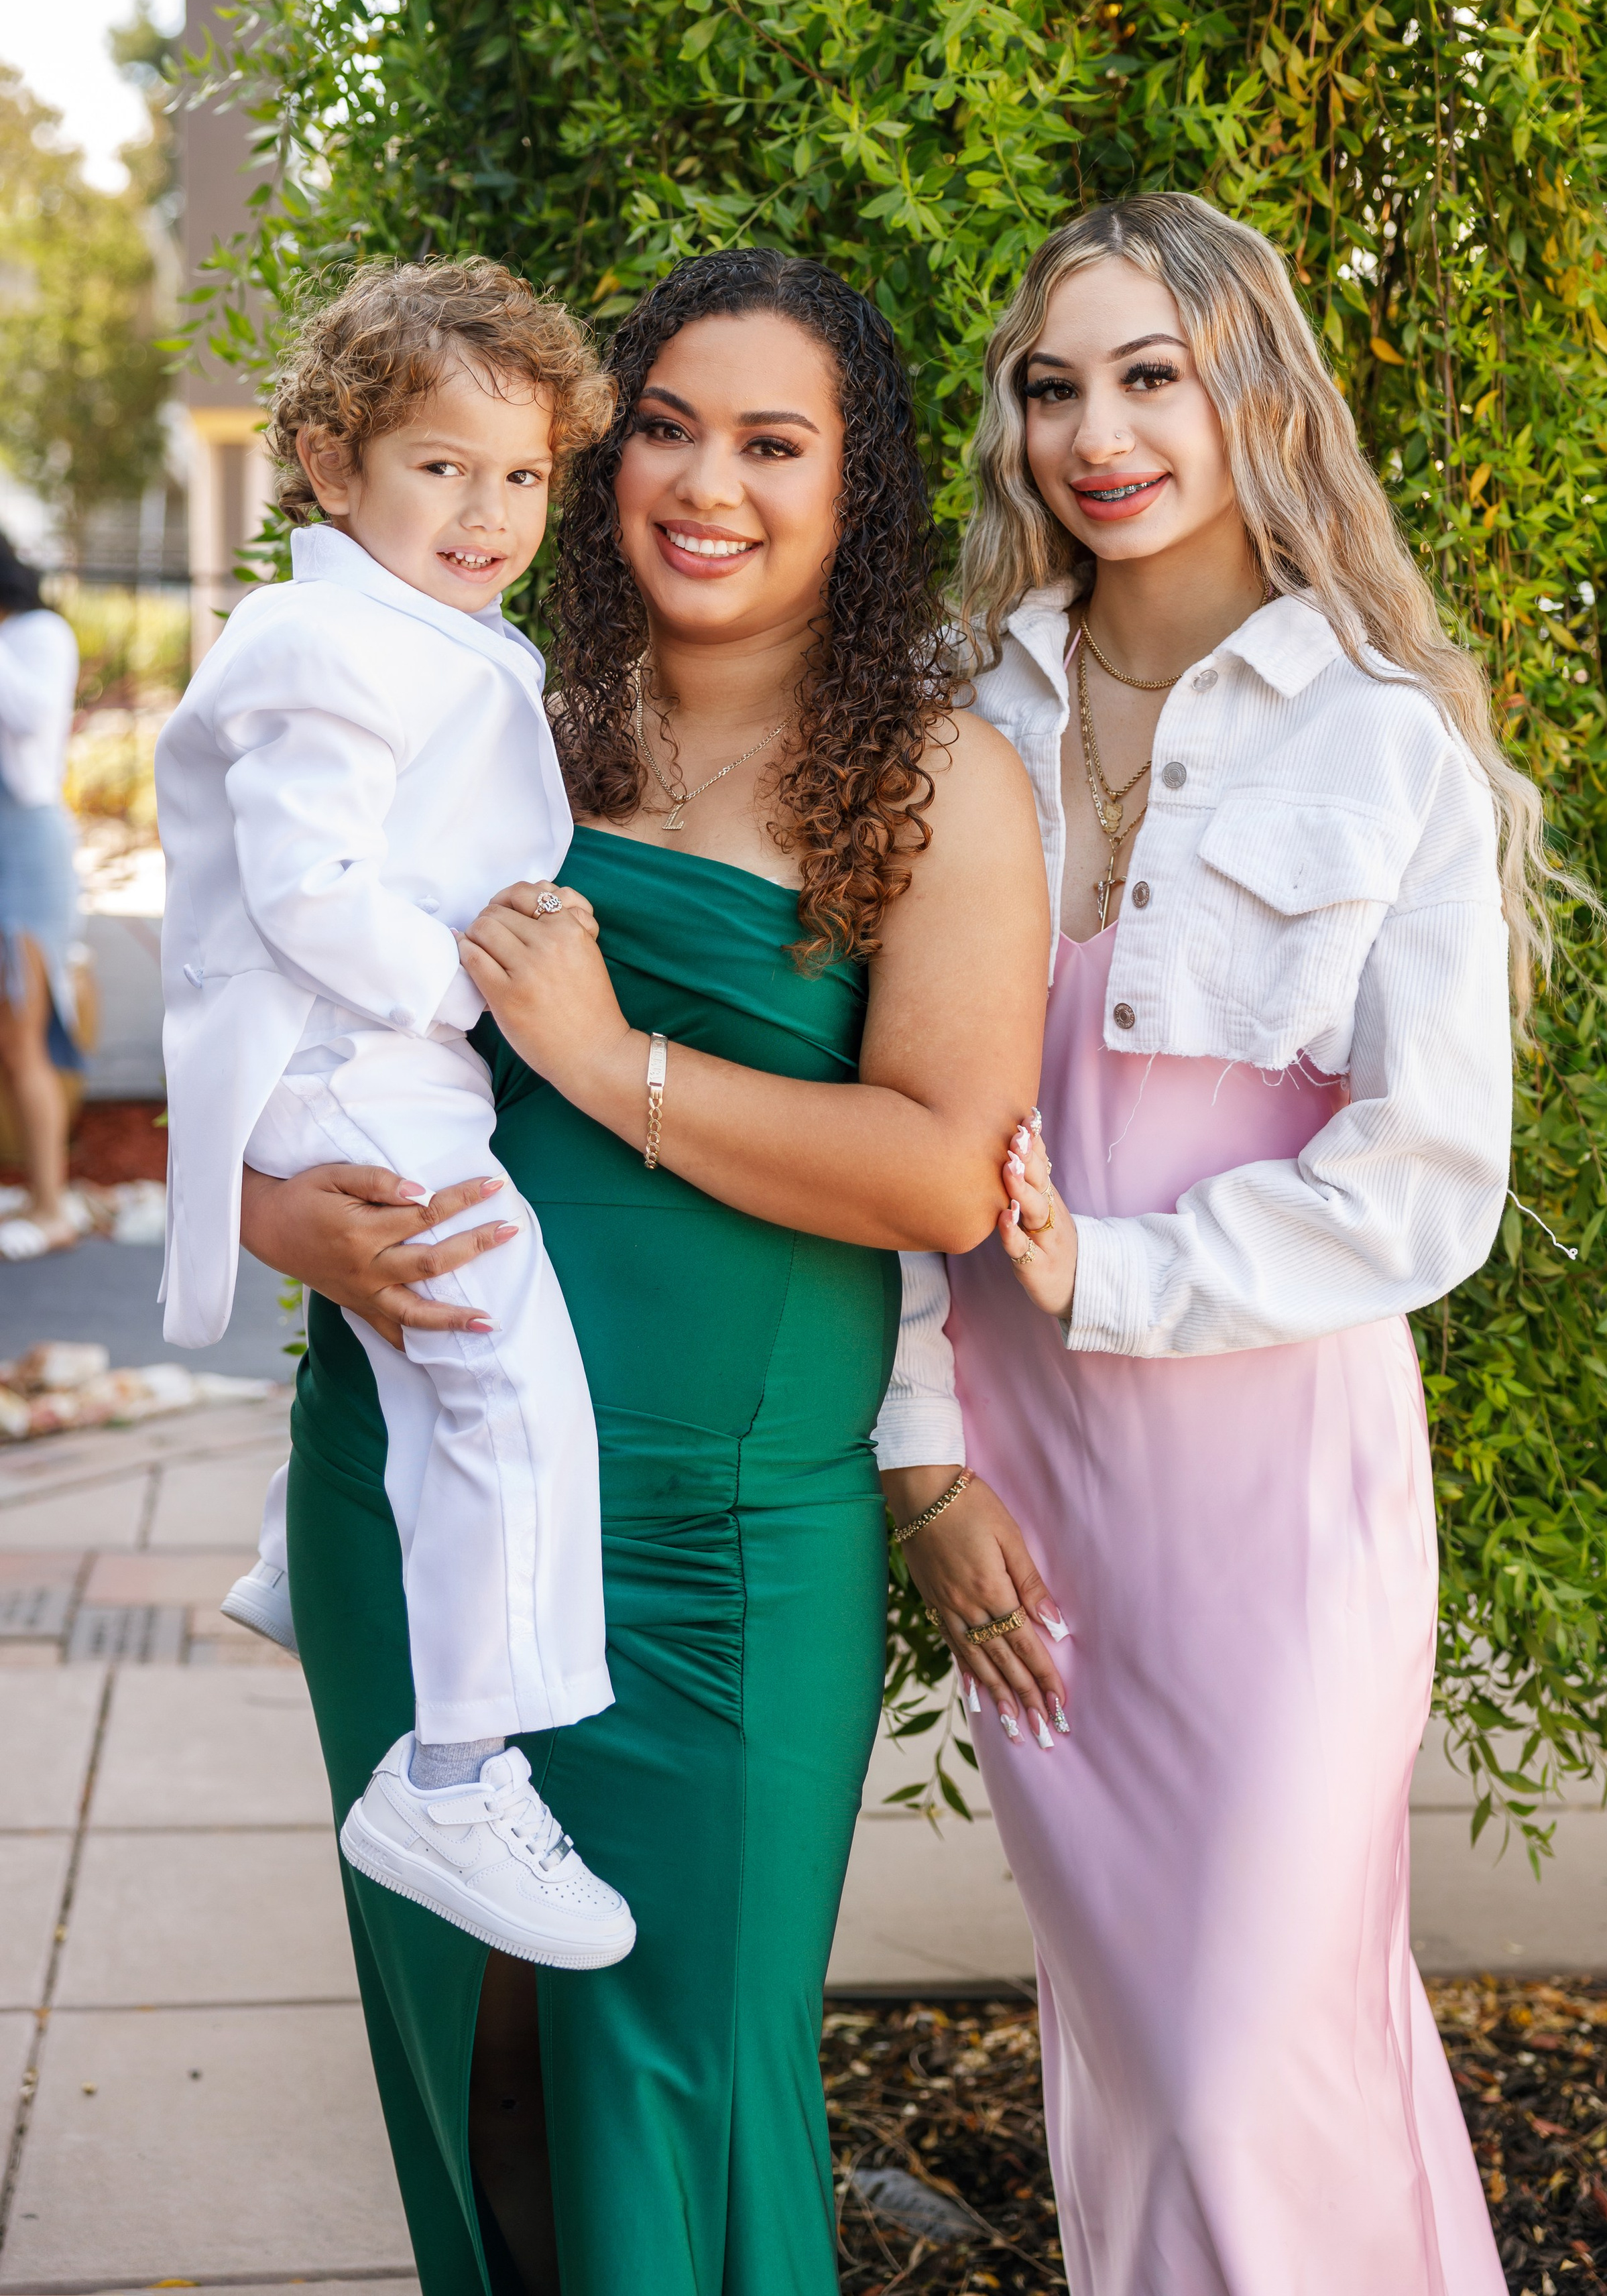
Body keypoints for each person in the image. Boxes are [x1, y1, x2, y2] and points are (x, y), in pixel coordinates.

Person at [234, 247, 1056, 2295]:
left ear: (855, 487)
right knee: (480, 2068)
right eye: (667, 427)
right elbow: (279, 998)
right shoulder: (495, 702)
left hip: (722, 1551)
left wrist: (611, 1061)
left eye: (772, 442)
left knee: (675, 2070)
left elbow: (945, 1167)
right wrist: (277, 1217)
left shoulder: (939, 777)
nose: (706, 482)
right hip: (416, 1500)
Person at [888, 192, 1529, 2293]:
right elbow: (887, 1129)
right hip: (1034, 1489)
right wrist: (924, 1459)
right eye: (1052, 383)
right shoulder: (952, 719)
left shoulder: (1379, 732)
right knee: (1147, 2058)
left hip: (1285, 1499)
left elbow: (1426, 1176)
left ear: (1251, 387)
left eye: (1149, 372)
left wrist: (1120, 1270)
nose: (1098, 428)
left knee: (1255, 2037)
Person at [156, 258, 634, 1973]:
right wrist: (475, 983)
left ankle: (304, 1565)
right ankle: (453, 1768)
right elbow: (307, 884)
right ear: (325, 458)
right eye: (442, 464)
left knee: (438, 1351)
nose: (489, 508)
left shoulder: (435, 630)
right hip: (345, 1049)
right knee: (504, 1363)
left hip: (386, 1049)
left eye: (522, 474)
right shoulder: (320, 636)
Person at [0, 531, 84, 1260]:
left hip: (24, 850)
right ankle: (32, 1192)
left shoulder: (39, 634)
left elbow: (28, 719)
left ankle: (54, 1207)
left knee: (21, 1034)